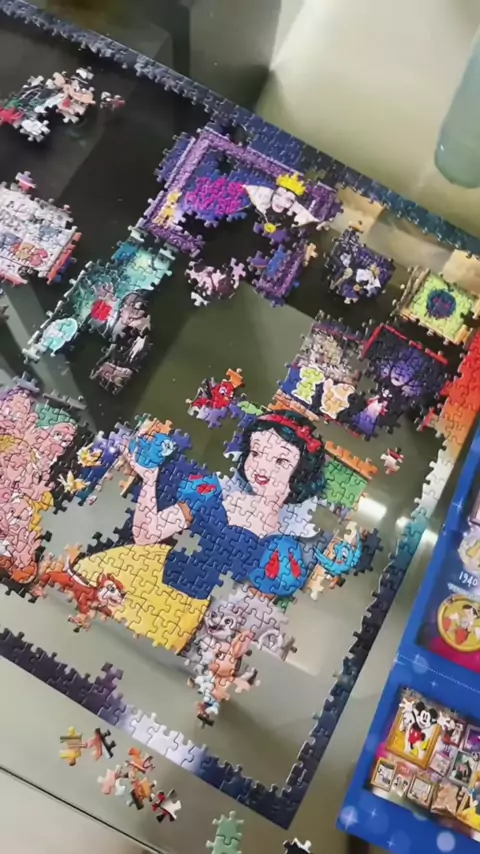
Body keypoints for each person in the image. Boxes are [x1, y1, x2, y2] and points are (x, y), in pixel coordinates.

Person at [71, 410, 326, 650]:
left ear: (301, 473)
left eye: (281, 460)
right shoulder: (210, 492)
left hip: (179, 612)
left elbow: (250, 615)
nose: (262, 467)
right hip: (142, 571)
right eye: (256, 452)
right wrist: (149, 479)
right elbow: (146, 535)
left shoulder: (282, 550)